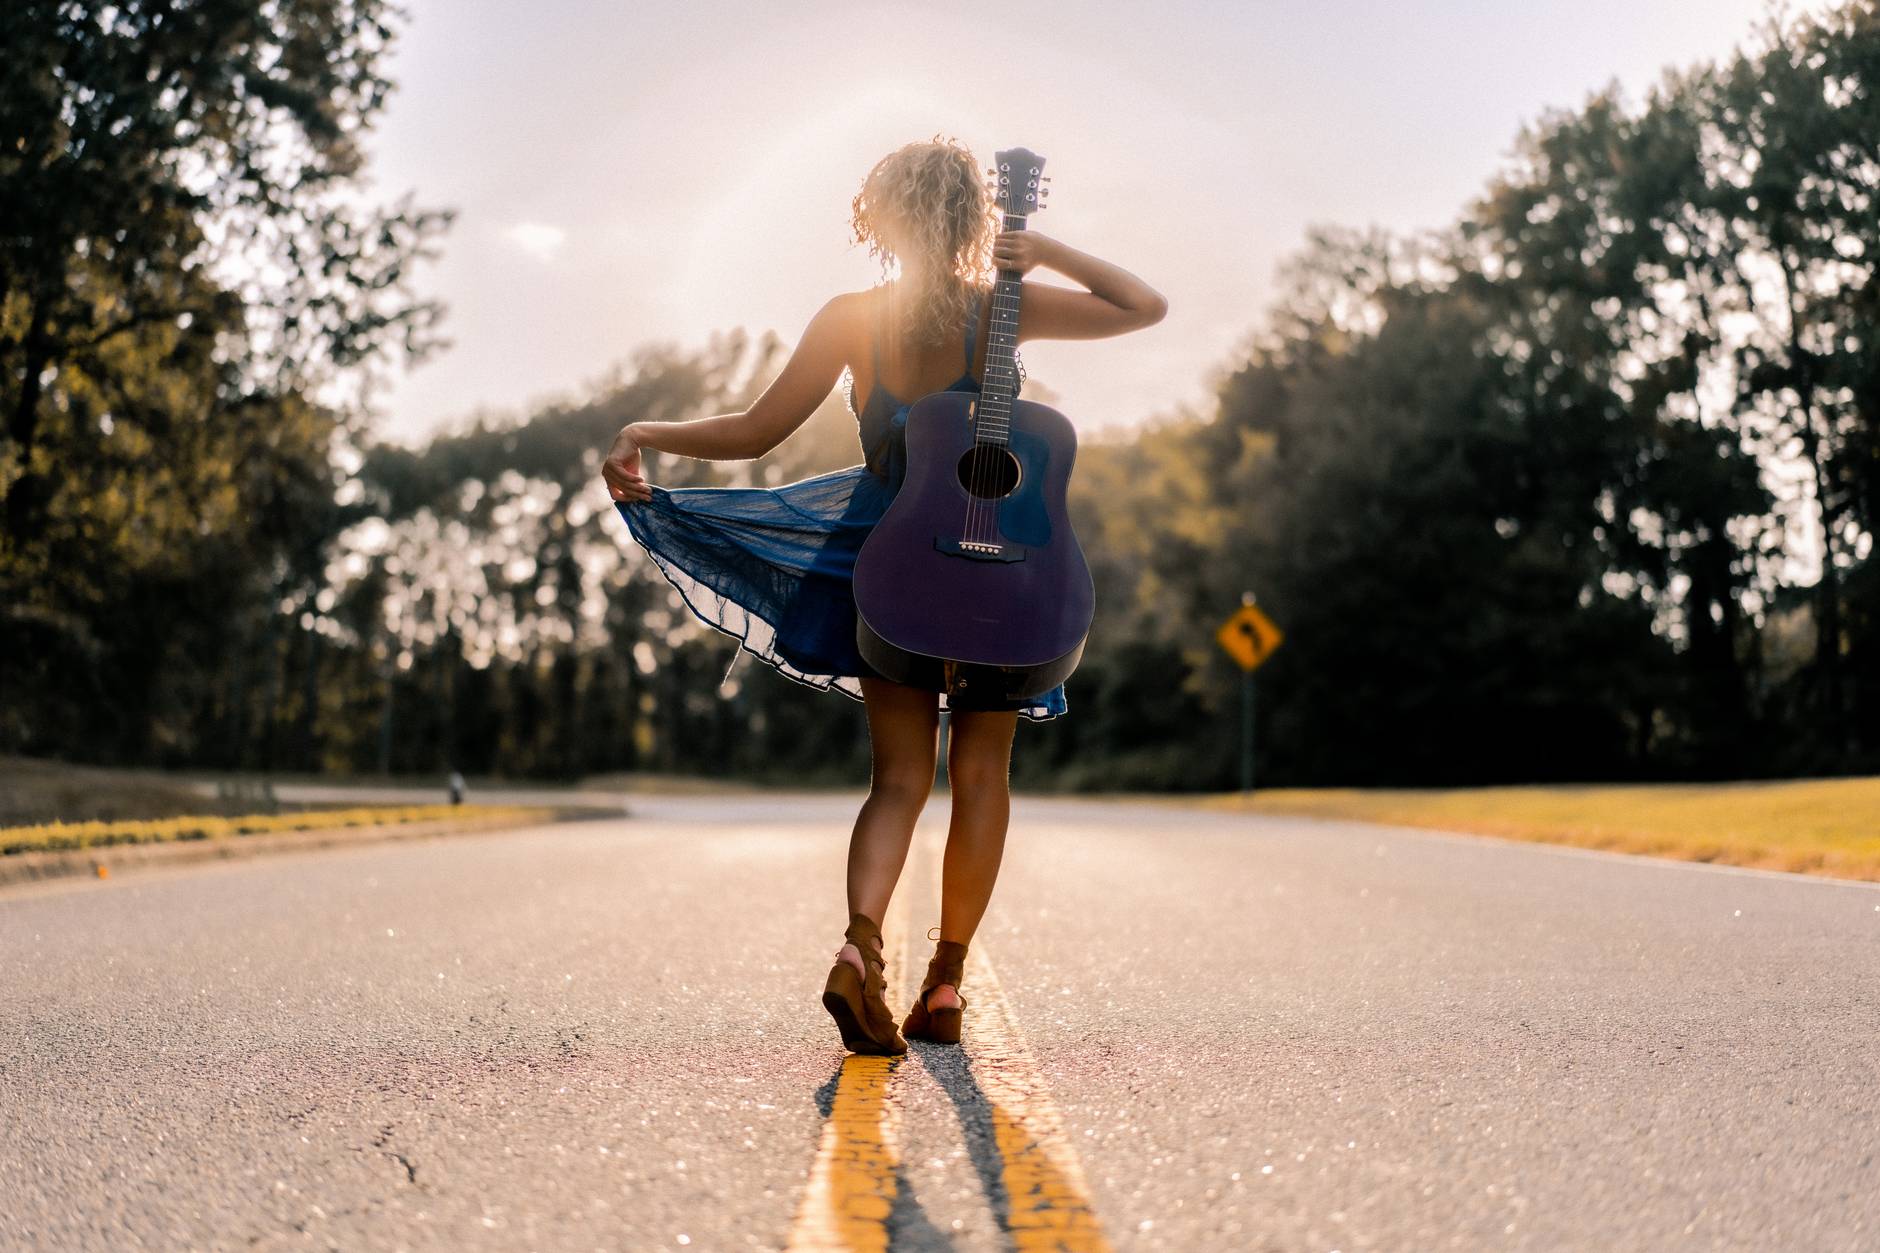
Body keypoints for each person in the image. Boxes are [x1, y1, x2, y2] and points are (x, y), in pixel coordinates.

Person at [600, 136, 1166, 1054]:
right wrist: (1045, 252)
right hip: (1006, 567)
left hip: (890, 559)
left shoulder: (850, 317)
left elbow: (754, 432)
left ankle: (860, 949)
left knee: (898, 778)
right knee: (982, 774)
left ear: (881, 218)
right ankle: (945, 984)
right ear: (976, 220)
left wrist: (644, 429)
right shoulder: (1000, 309)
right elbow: (1144, 306)